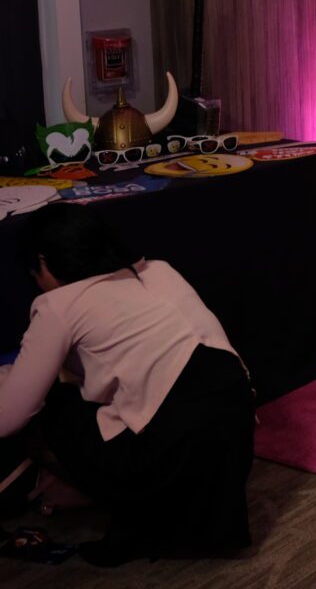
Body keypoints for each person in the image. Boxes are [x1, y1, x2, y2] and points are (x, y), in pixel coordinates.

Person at [0, 205, 254, 565]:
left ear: (43, 261)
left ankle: (92, 492)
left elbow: (9, 417)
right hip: (236, 432)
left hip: (169, 454)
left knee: (53, 405)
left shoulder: (58, 304)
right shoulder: (159, 270)